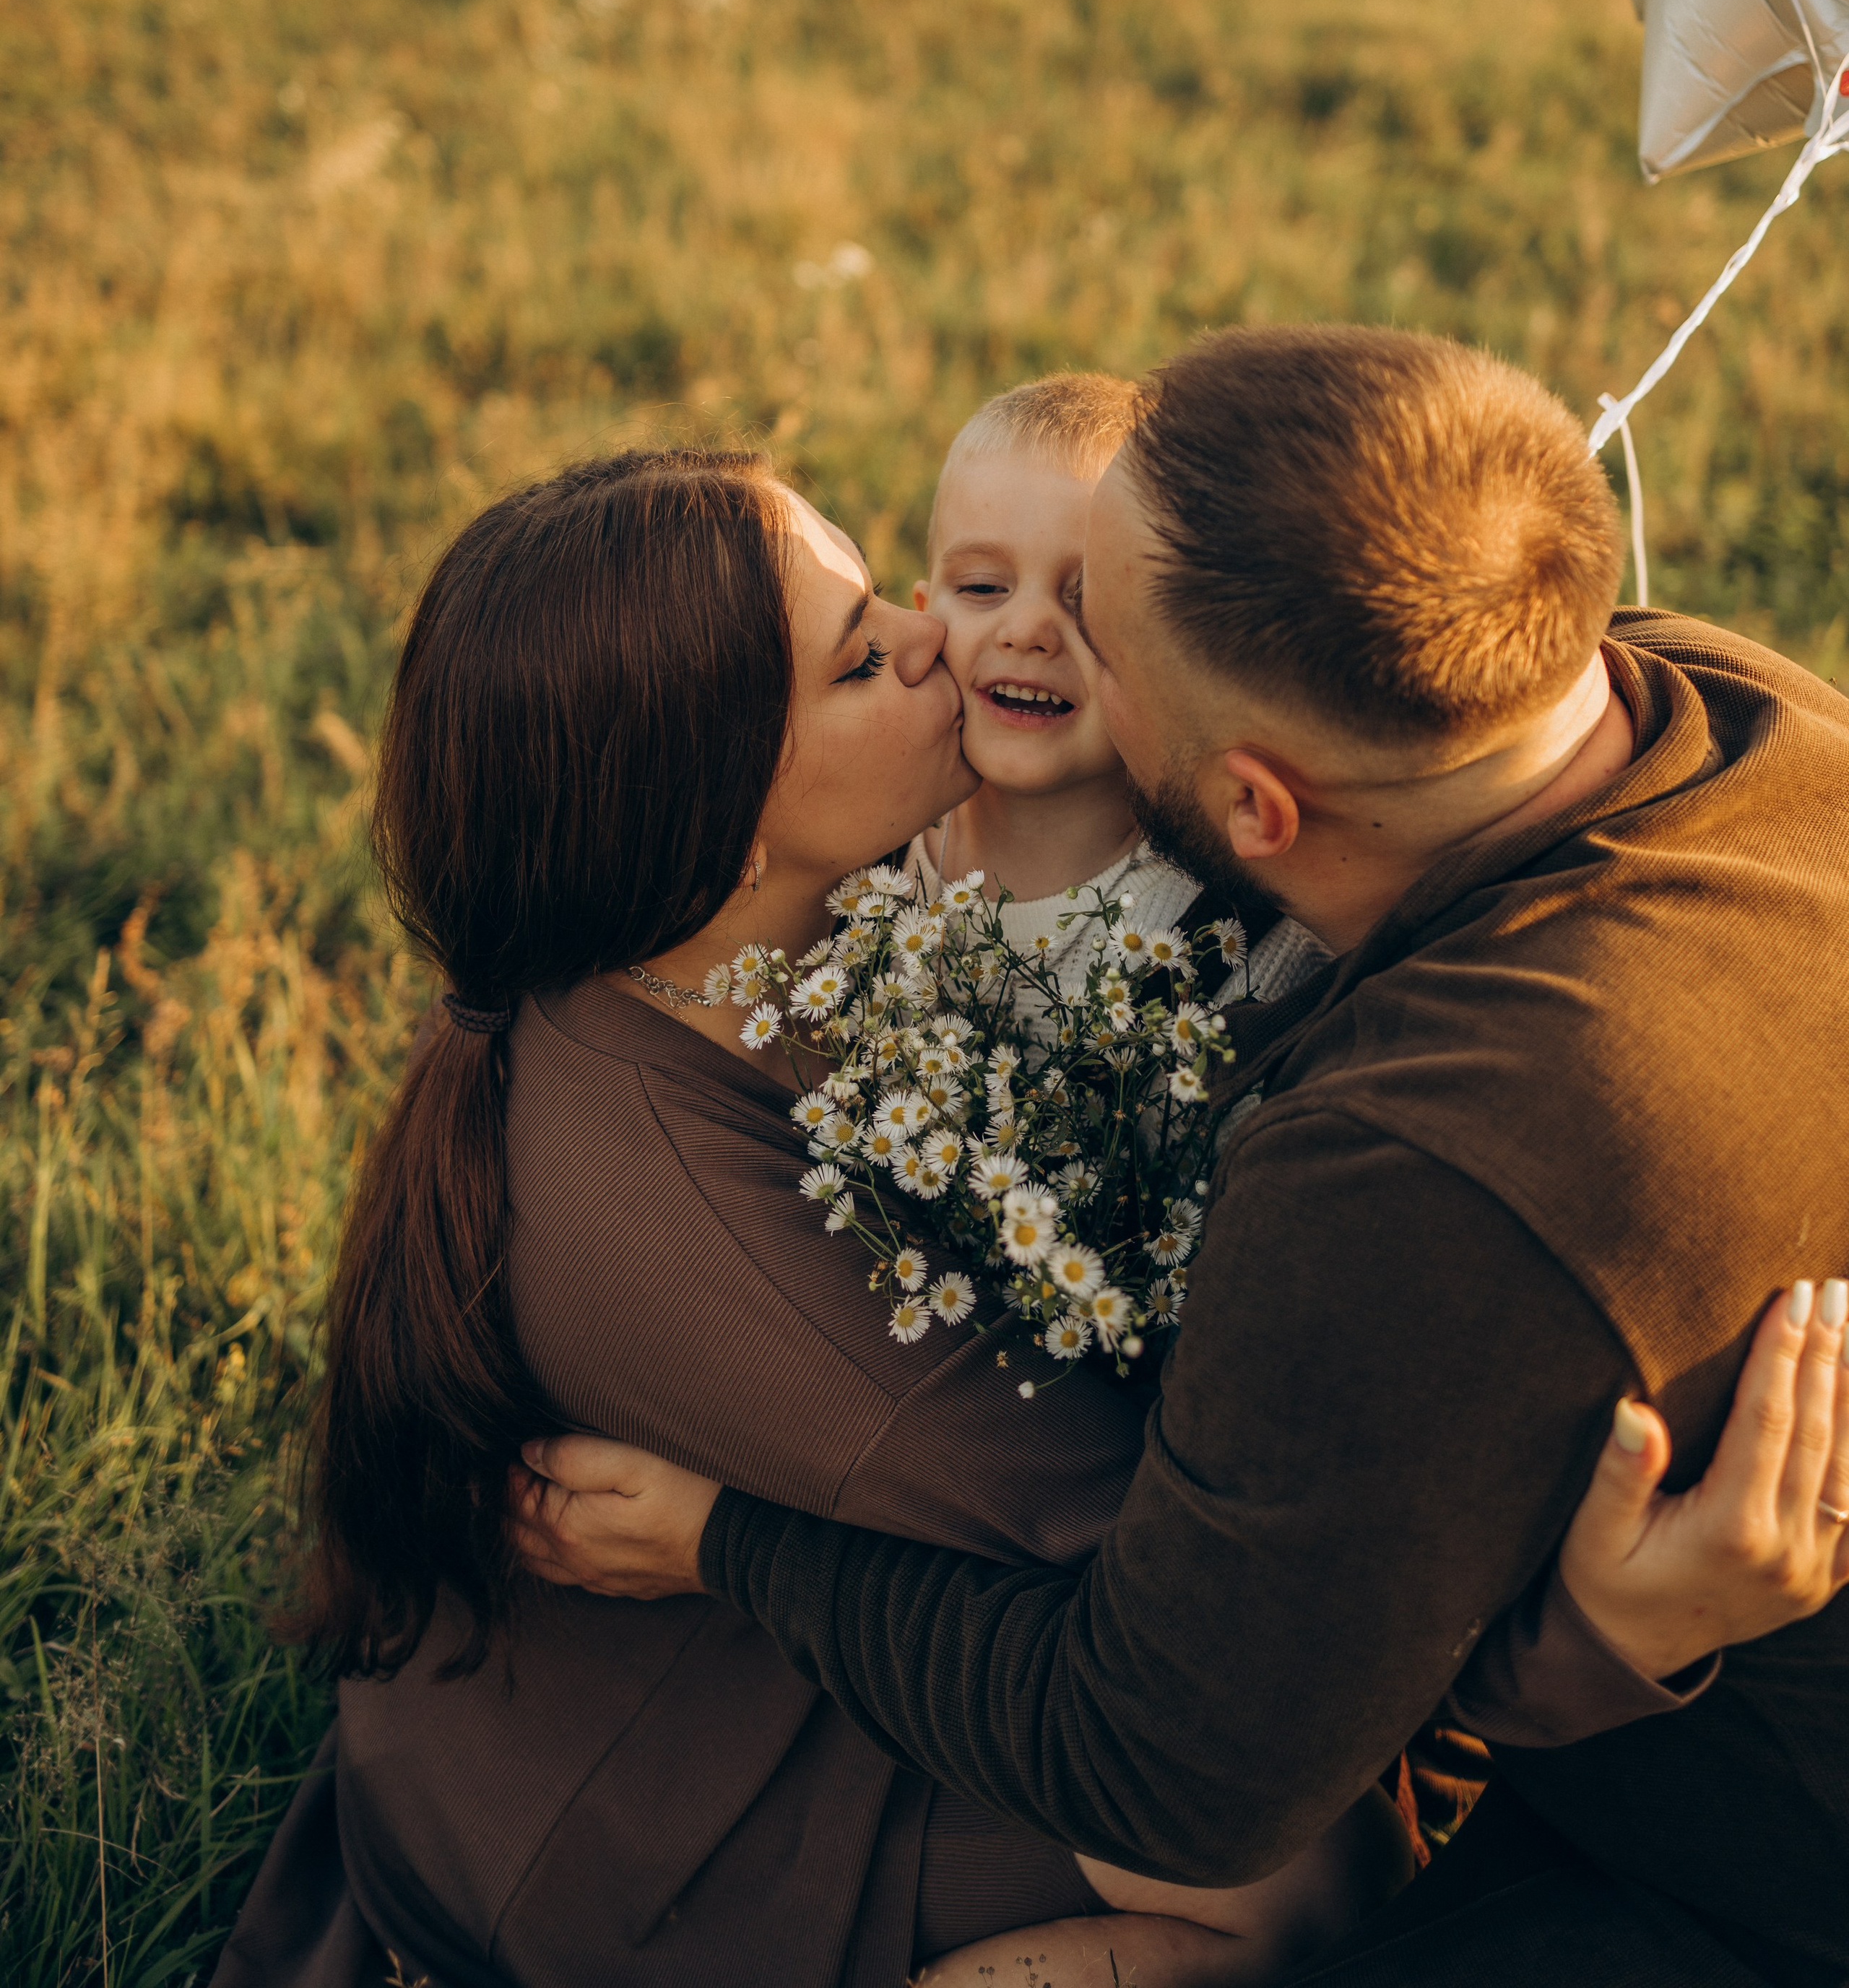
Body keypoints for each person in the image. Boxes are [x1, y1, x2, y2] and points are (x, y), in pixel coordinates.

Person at [506, 330, 1849, 1988]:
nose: (974, 647)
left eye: (1107, 644)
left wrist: (729, 1542)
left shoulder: (1409, 1157)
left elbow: (1166, 1763)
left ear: (1250, 809)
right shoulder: (1721, 703)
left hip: (1750, 1876)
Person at [902, 369, 1326, 1009]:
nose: (1026, 631)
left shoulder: (1232, 950)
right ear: (924, 614)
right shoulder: (869, 858)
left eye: (1086, 600)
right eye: (984, 586)